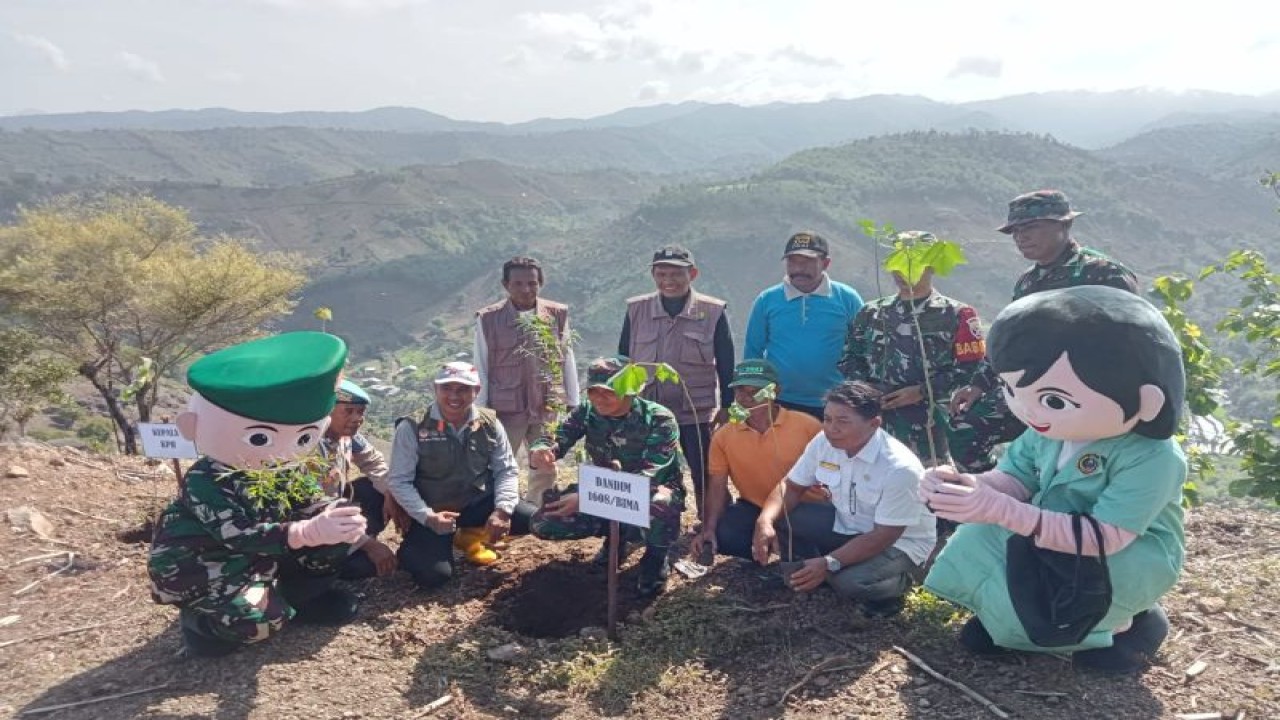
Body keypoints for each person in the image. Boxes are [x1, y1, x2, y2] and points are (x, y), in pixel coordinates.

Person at [923, 285, 1187, 674]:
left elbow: (1106, 538)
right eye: (1013, 391)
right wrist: (970, 487)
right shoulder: (1044, 433)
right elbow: (1015, 478)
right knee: (984, 536)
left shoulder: (1153, 457)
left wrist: (1006, 511)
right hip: (1049, 532)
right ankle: (1011, 619)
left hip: (1118, 554)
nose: (1029, 411)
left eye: (1053, 400)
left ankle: (1134, 624)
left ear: (1147, 400)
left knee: (1092, 596)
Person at [149, 332, 366, 657]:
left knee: (333, 541)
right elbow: (239, 536)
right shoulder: (206, 479)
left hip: (263, 557)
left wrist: (337, 517)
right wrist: (306, 532)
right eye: (262, 438)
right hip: (207, 567)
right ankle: (202, 627)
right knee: (259, 621)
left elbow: (309, 500)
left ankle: (301, 598)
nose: (281, 450)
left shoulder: (285, 467)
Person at [947, 190, 1140, 472]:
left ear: (1064, 225)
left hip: (1087, 392)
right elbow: (1012, 337)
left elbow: (1132, 340)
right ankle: (1000, 503)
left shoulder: (1103, 273)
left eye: (1031, 227)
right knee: (964, 430)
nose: (1021, 237)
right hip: (1030, 386)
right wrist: (978, 384)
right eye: (1015, 231)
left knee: (1075, 462)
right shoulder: (1028, 282)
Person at [752, 381, 936, 617]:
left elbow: (884, 535)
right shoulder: (824, 442)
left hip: (899, 543)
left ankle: (905, 580)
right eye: (827, 419)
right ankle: (803, 574)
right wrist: (764, 521)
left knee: (849, 583)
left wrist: (829, 562)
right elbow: (791, 486)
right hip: (848, 525)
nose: (831, 428)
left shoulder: (899, 467)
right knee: (784, 515)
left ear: (874, 424)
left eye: (842, 421)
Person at [528, 356, 685, 597]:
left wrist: (590, 497)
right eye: (593, 391)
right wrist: (543, 449)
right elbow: (557, 437)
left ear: (629, 391)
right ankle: (617, 540)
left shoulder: (659, 419)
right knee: (545, 522)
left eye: (608, 392)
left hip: (650, 490)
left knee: (660, 505)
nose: (599, 398)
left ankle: (655, 558)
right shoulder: (588, 411)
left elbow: (650, 476)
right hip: (601, 484)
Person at [838, 231, 985, 467]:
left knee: (931, 490)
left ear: (932, 267)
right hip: (875, 424)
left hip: (930, 428)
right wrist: (868, 391)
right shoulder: (871, 312)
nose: (903, 271)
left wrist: (922, 391)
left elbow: (972, 368)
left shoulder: (957, 314)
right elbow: (849, 358)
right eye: (897, 263)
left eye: (914, 264)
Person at [386, 361, 537, 590]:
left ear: (476, 391)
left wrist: (502, 510)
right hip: (434, 511)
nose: (454, 396)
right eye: (447, 388)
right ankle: (435, 542)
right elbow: (399, 480)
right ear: (435, 389)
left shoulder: (490, 423)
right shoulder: (412, 427)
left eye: (463, 389)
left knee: (537, 521)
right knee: (434, 577)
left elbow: (506, 469)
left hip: (477, 501)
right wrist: (426, 516)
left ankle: (471, 532)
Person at [619, 244, 734, 520]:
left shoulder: (713, 311)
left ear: (692, 274)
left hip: (695, 410)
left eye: (676, 274)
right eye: (661, 274)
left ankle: (712, 524)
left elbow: (726, 362)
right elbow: (623, 359)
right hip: (647, 410)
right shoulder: (636, 310)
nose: (668, 281)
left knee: (705, 469)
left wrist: (727, 407)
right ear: (653, 275)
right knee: (641, 469)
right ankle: (639, 526)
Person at [689, 359, 826, 561]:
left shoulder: (808, 426)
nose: (747, 397)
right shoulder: (723, 436)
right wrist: (709, 528)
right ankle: (769, 545)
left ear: (775, 391)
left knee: (815, 534)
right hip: (755, 507)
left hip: (803, 508)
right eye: (740, 390)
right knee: (724, 534)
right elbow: (717, 486)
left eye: (756, 390)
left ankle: (793, 549)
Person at [475, 256, 579, 506]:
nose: (525, 290)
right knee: (499, 461)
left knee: (544, 462)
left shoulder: (557, 314)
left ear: (540, 283)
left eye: (532, 283)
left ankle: (537, 511)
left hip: (546, 404)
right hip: (505, 405)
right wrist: (481, 409)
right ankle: (499, 508)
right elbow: (481, 364)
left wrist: (573, 399)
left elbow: (567, 356)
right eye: (518, 283)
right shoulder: (488, 319)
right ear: (505, 284)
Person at [744, 232, 863, 420]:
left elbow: (863, 349)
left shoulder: (847, 298)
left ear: (825, 263)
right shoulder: (767, 300)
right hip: (779, 402)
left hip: (834, 404)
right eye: (792, 262)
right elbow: (753, 352)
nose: (798, 269)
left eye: (807, 262)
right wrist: (754, 399)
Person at [317, 379, 407, 579]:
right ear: (327, 410)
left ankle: (353, 543)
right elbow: (317, 506)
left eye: (360, 412)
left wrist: (390, 493)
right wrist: (368, 544)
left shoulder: (348, 436)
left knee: (373, 489)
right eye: (348, 411)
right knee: (364, 567)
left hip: (338, 510)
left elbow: (373, 461)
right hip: (315, 521)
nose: (357, 418)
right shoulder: (311, 445)